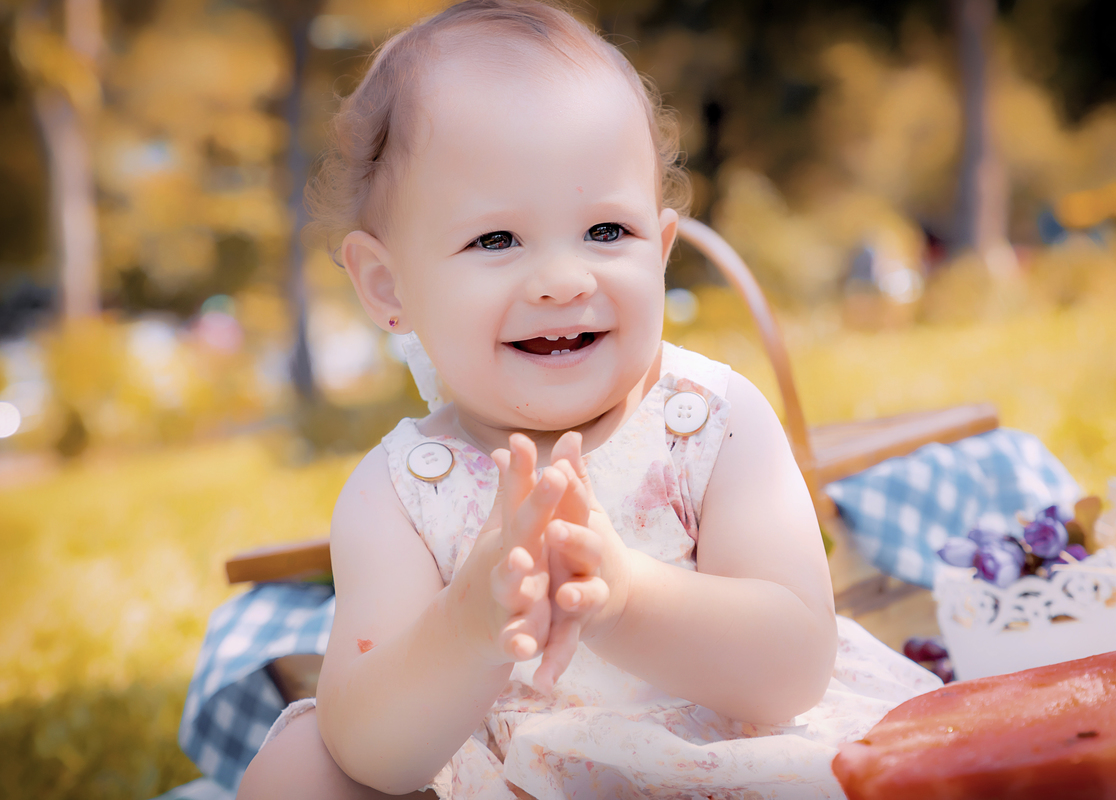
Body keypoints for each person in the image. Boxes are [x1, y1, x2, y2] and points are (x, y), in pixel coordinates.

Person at [236, 2, 941, 797]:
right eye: (496, 241)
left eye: (607, 231)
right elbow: (372, 746)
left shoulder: (711, 420)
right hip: (512, 776)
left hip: (724, 764)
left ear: (662, 249)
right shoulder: (399, 492)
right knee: (298, 767)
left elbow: (793, 665)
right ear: (388, 286)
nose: (566, 279)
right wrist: (470, 620)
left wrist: (626, 595)